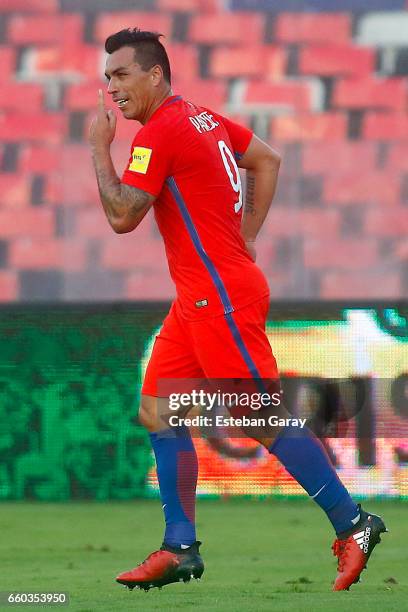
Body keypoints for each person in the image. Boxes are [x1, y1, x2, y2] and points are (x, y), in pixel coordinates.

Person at [89, 28, 387, 593]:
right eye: (108, 78)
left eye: (122, 74)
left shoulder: (159, 132)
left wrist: (98, 150)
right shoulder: (205, 119)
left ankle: (355, 523)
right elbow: (267, 159)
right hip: (200, 297)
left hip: (218, 299)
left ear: (156, 74)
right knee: (161, 409)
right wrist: (245, 237)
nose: (113, 88)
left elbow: (123, 216)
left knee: (257, 416)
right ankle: (179, 546)